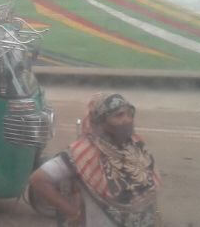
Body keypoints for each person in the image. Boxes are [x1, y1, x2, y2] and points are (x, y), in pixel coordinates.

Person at [29, 93, 162, 226]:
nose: (127, 119)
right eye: (119, 115)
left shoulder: (136, 147)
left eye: (129, 114)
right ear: (101, 121)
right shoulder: (82, 152)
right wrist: (72, 212)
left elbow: (150, 193)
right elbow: (38, 179)